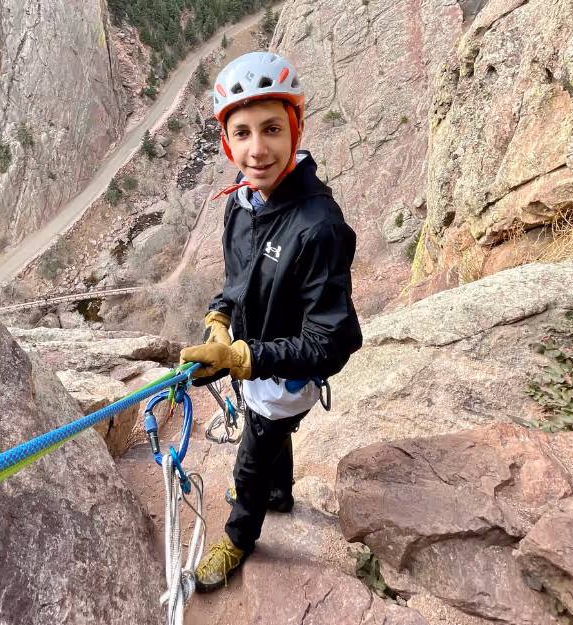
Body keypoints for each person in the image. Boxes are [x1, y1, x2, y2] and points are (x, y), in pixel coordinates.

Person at [179, 51, 363, 592]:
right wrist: (220, 317)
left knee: (251, 460)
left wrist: (241, 358)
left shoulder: (319, 227)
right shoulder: (243, 201)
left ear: (295, 129)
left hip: (283, 378)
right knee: (272, 438)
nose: (257, 149)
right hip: (256, 363)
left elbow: (330, 342)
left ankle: (239, 538)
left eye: (272, 129)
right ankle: (279, 493)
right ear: (226, 142)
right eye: (243, 133)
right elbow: (239, 280)